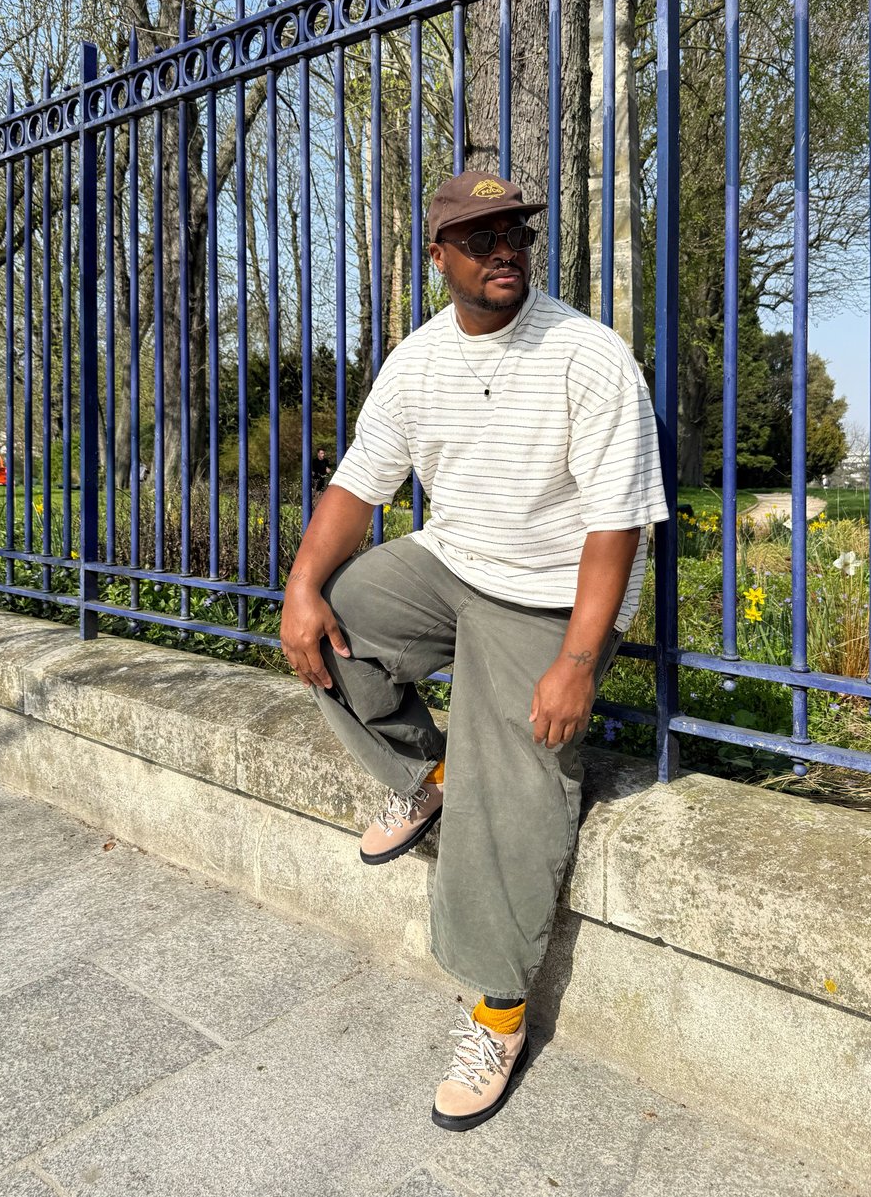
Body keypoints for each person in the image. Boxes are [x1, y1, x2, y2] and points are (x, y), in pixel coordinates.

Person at [280, 170, 667, 1132]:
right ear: (439, 256)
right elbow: (357, 486)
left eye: (517, 234)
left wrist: (576, 661)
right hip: (456, 562)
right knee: (338, 616)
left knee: (520, 777)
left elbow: (617, 524)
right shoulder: (417, 361)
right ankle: (428, 772)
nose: (505, 250)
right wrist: (300, 587)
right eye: (481, 236)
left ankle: (498, 1012)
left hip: (555, 593)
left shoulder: (587, 355)